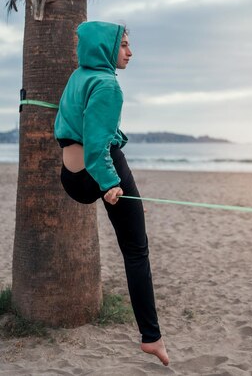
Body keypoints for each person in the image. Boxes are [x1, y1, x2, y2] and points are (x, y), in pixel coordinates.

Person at [54, 20, 169, 367]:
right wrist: (109, 184)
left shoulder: (80, 76)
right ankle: (152, 338)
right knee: (137, 250)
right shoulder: (107, 86)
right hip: (95, 175)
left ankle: (153, 337)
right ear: (106, 48)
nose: (130, 52)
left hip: (71, 177)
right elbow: (97, 147)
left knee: (134, 235)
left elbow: (81, 126)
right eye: (124, 45)